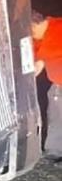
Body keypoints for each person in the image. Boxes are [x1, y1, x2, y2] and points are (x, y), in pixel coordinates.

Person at [32, 11, 62, 159]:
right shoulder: (44, 37)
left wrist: (40, 58)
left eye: (31, 31)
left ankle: (54, 151)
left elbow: (50, 49)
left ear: (35, 25)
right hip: (57, 84)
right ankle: (54, 151)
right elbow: (39, 57)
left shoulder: (57, 28)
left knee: (58, 116)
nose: (32, 36)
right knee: (55, 115)